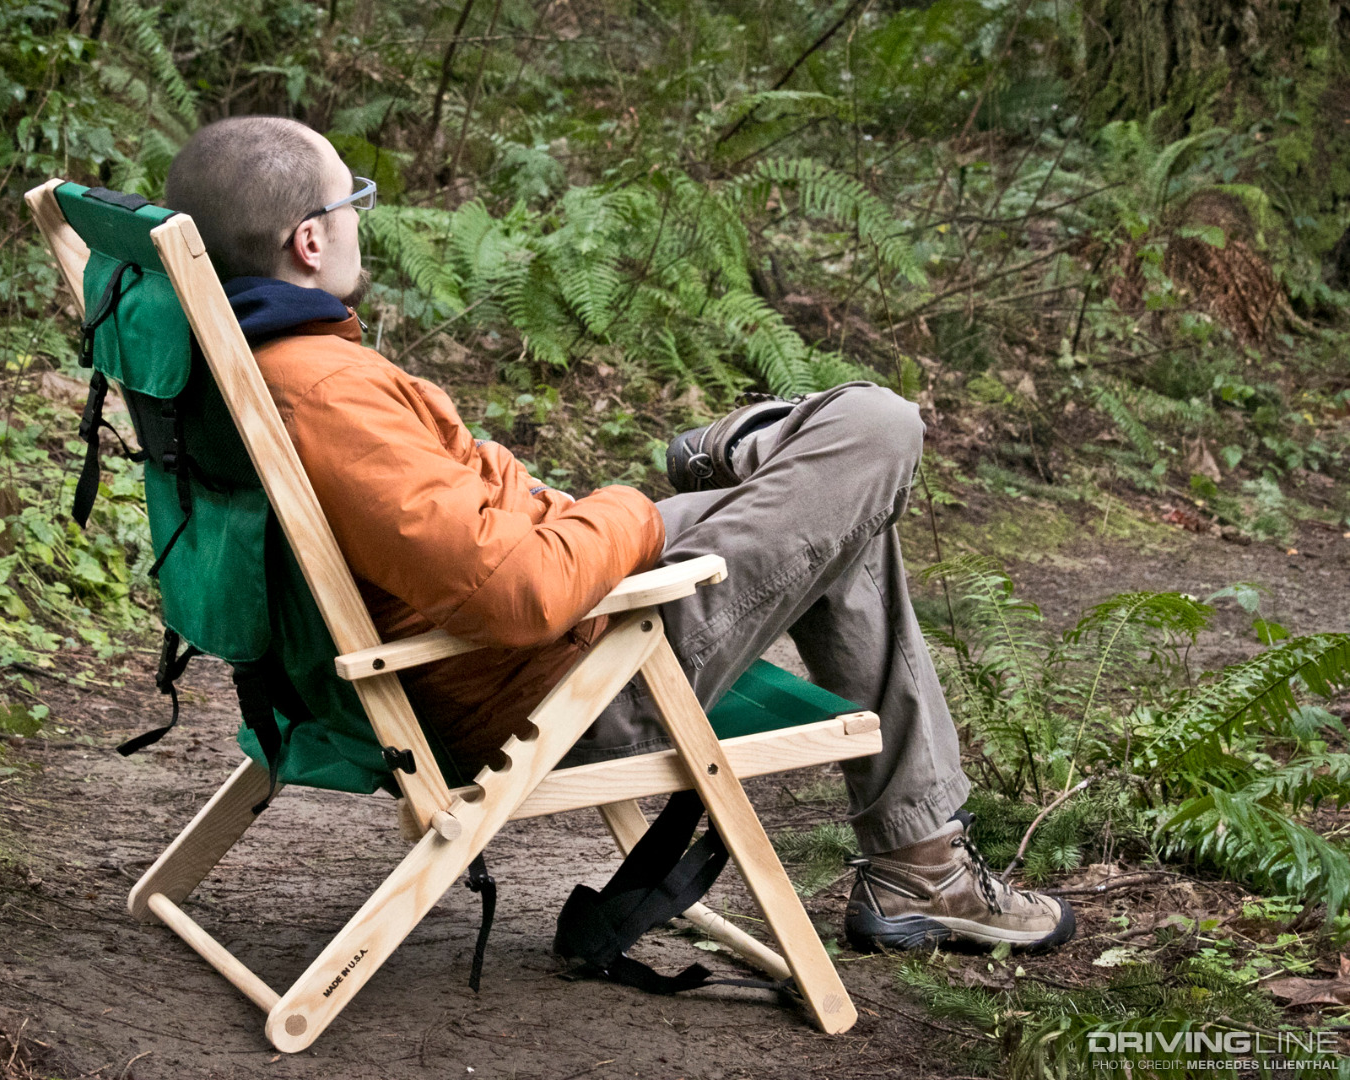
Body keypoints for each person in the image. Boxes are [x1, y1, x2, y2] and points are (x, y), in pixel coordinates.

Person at [162, 116, 1074, 954]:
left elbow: (470, 520)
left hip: (530, 636)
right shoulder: (325, 393)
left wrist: (563, 513)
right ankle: (757, 457)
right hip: (575, 679)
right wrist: (627, 511)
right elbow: (516, 593)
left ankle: (924, 864)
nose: (365, 215)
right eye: (353, 199)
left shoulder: (236, 367)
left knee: (844, 502)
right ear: (310, 239)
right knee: (877, 430)